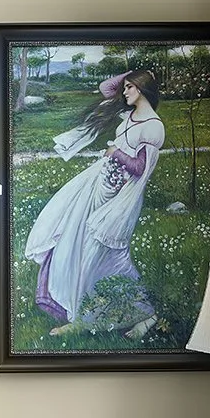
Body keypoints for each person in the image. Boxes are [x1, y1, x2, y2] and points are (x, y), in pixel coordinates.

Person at [21, 68, 167, 338]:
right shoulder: (130, 117)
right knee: (77, 246)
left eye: (130, 87)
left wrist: (116, 152)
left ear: (143, 89)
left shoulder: (153, 126)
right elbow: (106, 88)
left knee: (103, 254)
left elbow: (139, 167)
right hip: (100, 188)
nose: (123, 92)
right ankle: (81, 315)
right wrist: (131, 76)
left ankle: (144, 315)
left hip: (120, 199)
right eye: (124, 87)